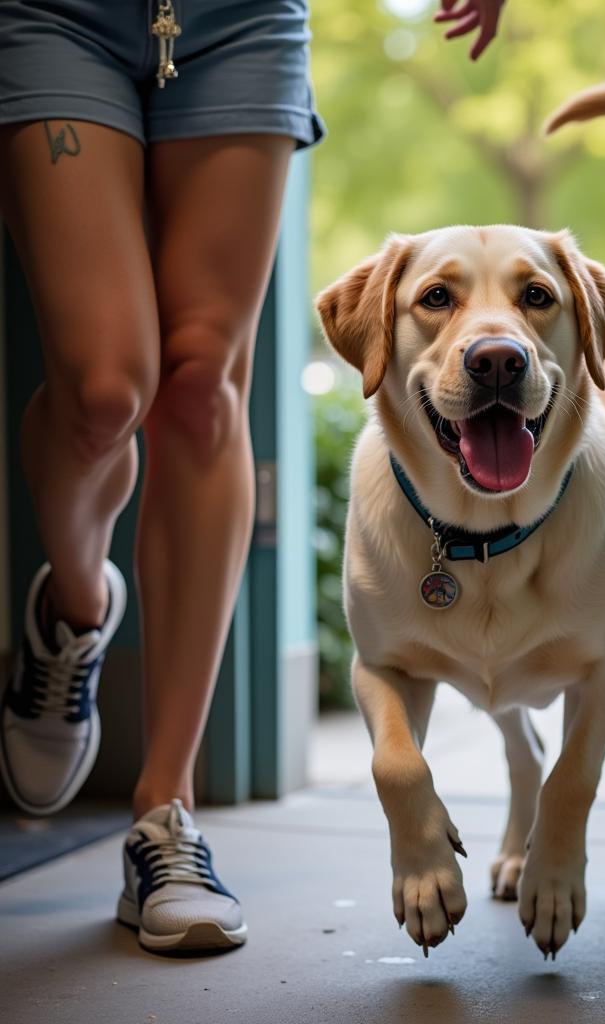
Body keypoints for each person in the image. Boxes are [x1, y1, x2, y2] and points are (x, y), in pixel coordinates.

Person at [0, 0, 506, 955]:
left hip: (240, 20)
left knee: (202, 392)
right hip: (54, 13)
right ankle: (71, 615)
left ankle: (165, 815)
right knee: (106, 389)